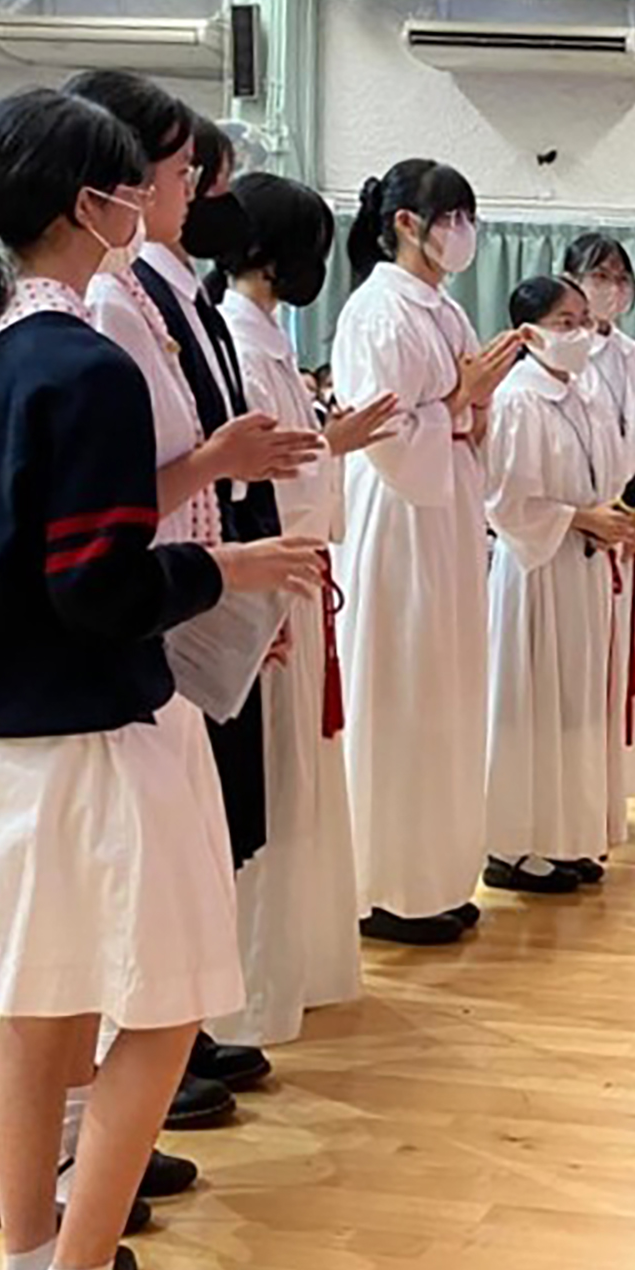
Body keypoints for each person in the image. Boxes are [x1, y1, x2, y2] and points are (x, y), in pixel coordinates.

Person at [0, 85, 322, 1270]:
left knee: (39, 1015)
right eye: (140, 181)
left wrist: (195, 481)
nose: (156, 201)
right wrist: (228, 570)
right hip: (90, 739)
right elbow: (98, 587)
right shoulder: (77, 360)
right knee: (164, 1003)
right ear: (92, 203)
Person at [67, 71, 320, 1123]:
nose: (189, 193)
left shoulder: (161, 295)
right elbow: (128, 492)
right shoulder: (94, 312)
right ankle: (94, 1124)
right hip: (138, 609)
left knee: (197, 844)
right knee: (117, 894)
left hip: (185, 590)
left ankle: (153, 1065)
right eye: (177, 173)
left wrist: (238, 591)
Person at [212, 171, 398, 1044]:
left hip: (295, 577)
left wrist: (332, 443)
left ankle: (290, 972)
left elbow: (289, 461)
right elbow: (260, 482)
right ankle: (246, 999)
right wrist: (329, 449)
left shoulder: (269, 341)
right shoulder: (242, 345)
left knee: (298, 790)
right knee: (268, 797)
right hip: (268, 580)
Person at [333, 158, 529, 940]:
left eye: (467, 216)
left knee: (445, 691)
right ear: (406, 224)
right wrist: (460, 401)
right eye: (450, 216)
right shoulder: (378, 312)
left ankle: (438, 873)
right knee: (399, 689)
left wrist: (470, 410)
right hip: (398, 519)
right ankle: (384, 885)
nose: (462, 232)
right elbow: (383, 438)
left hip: (444, 515)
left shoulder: (442, 311)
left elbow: (462, 422)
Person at [483, 276, 635, 892]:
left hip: (583, 568)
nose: (579, 332)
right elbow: (505, 501)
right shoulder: (519, 400)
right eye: (565, 321)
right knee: (533, 704)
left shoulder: (584, 394)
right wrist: (578, 518)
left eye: (583, 319)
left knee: (576, 707)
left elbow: (607, 475)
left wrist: (615, 519)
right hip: (537, 572)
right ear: (529, 333)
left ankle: (567, 834)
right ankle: (515, 847)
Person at [563, 235, 635, 836]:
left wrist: (632, 510)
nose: (610, 288)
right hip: (575, 528)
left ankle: (608, 786)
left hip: (624, 529)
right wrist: (591, 514)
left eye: (619, 277)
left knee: (617, 663)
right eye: (598, 275)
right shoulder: (552, 358)